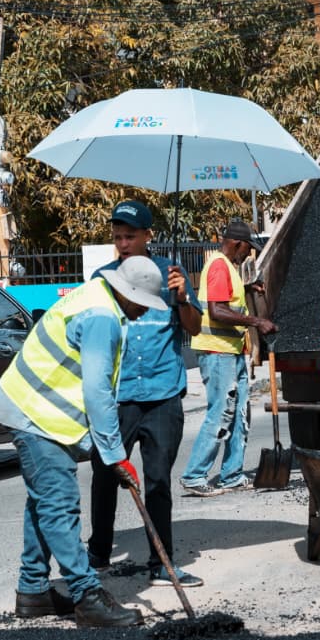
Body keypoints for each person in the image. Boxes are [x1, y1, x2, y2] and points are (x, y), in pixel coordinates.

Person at [0, 256, 168, 629]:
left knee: (43, 500)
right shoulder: (103, 317)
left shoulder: (98, 296)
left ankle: (33, 591)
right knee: (59, 504)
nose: (143, 312)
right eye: (143, 303)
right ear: (130, 293)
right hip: (35, 412)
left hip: (34, 407)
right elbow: (97, 390)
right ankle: (87, 595)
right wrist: (115, 454)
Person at [87, 200, 205, 588]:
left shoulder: (170, 274)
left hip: (162, 395)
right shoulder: (103, 278)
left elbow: (196, 328)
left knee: (157, 481)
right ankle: (98, 554)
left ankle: (162, 560)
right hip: (118, 399)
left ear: (147, 236)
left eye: (130, 236)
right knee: (105, 476)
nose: (123, 243)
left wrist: (183, 299)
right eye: (118, 237)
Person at [180, 220, 277, 496]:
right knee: (221, 413)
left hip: (232, 351)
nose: (248, 254)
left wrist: (249, 289)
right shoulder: (219, 266)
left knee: (239, 414)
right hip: (218, 351)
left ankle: (231, 474)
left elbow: (228, 300)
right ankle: (195, 475)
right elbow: (218, 311)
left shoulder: (229, 268)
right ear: (237, 243)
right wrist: (256, 321)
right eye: (248, 248)